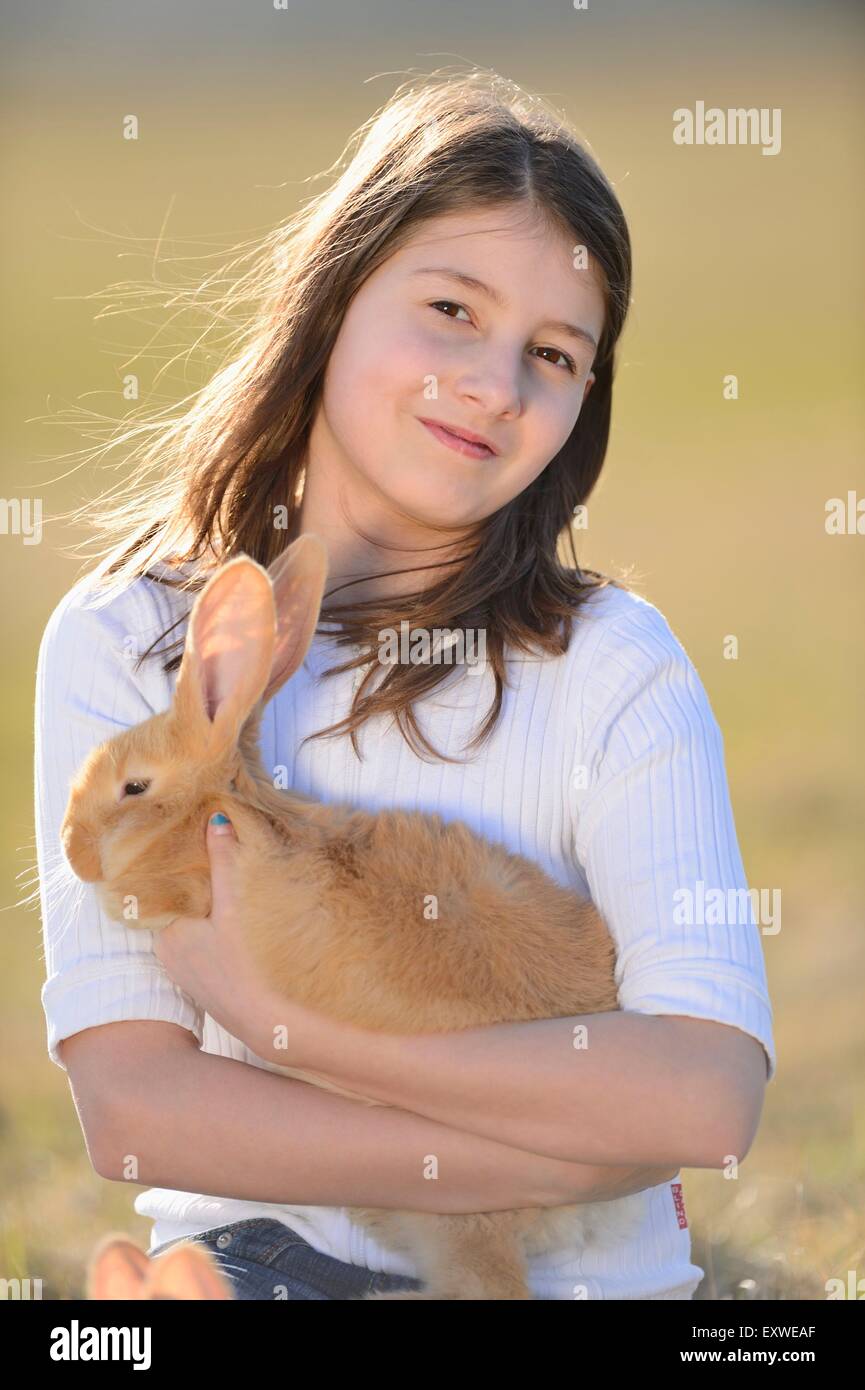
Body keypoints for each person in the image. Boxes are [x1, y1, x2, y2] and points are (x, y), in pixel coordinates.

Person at [35, 69, 775, 1301]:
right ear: (333, 297)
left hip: (582, 1285)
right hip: (253, 1258)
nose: (494, 384)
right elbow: (136, 1112)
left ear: (585, 398)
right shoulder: (131, 637)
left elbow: (704, 1096)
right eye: (448, 308)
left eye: (553, 352)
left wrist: (293, 1036)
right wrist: (544, 1151)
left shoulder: (612, 664)